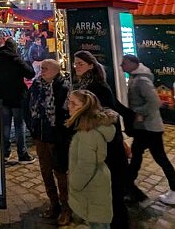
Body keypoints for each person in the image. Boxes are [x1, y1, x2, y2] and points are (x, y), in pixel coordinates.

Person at [73, 51, 130, 228]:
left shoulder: (97, 87)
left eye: (80, 63)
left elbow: (110, 113)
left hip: (107, 146)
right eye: (75, 63)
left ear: (90, 65)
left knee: (112, 193)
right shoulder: (85, 85)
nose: (76, 67)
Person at [120, 54, 175, 205]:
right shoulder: (136, 77)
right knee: (138, 156)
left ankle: (173, 188)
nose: (121, 66)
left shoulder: (141, 80)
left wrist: (138, 113)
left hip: (149, 128)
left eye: (124, 63)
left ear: (133, 63)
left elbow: (154, 102)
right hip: (146, 128)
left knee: (157, 157)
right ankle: (128, 188)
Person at [26, 59, 72, 225]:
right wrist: (32, 127)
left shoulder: (63, 87)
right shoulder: (36, 85)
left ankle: (66, 208)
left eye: (45, 68)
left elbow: (67, 113)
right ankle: (54, 204)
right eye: (41, 68)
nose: (42, 71)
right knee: (45, 171)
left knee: (60, 172)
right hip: (40, 135)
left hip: (56, 137)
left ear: (55, 71)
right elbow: (27, 106)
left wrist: (61, 134)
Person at [66, 90, 117, 229]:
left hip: (91, 188)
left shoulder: (87, 133)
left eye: (74, 103)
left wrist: (74, 184)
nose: (69, 106)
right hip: (95, 184)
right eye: (69, 102)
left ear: (84, 107)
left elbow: (86, 166)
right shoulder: (89, 127)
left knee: (98, 223)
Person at [0, 37, 36, 164]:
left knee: (5, 126)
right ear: (14, 48)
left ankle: (5, 153)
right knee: (19, 126)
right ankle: (22, 154)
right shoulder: (16, 60)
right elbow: (30, 73)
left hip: (2, 97)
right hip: (17, 97)